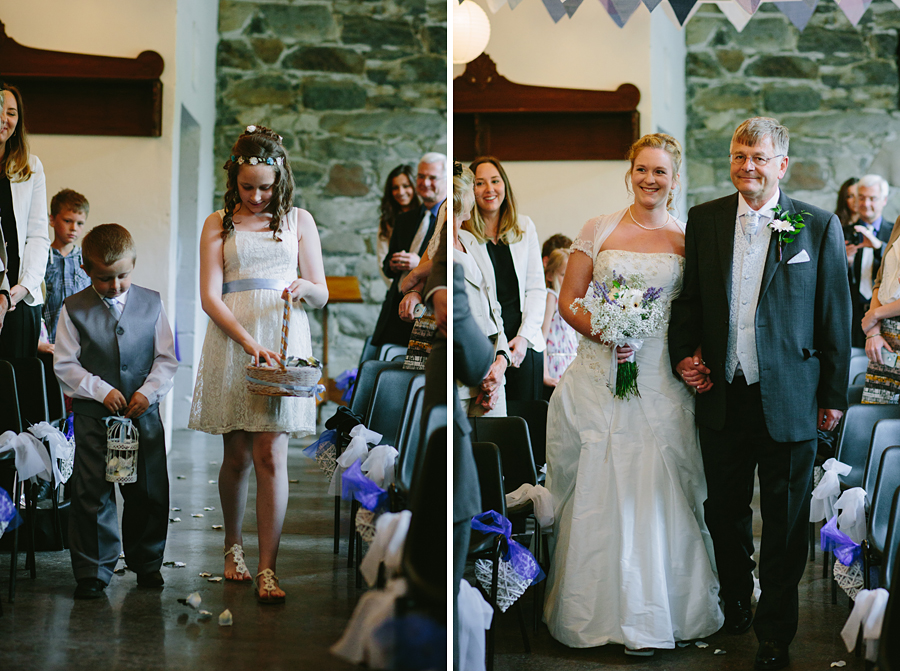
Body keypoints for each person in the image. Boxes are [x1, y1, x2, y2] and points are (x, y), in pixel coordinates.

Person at [669, 117, 851, 671]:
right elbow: (690, 302)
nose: (747, 165)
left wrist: (833, 395)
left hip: (793, 395)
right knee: (723, 512)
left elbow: (834, 315)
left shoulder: (815, 226)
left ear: (782, 165)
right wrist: (683, 355)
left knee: (786, 519)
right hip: (724, 393)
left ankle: (777, 629)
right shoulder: (704, 220)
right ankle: (734, 599)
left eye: (759, 157)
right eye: (739, 155)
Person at [543, 133, 723, 655]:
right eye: (642, 170)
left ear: (674, 177)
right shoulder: (597, 229)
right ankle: (595, 611)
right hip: (602, 372)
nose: (650, 180)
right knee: (600, 479)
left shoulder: (689, 237)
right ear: (630, 172)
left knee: (660, 482)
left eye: (660, 172)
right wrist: (609, 332)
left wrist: (693, 359)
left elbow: (698, 313)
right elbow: (569, 300)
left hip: (661, 379)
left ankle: (663, 609)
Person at [188, 125, 328, 604]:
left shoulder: (299, 221)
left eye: (265, 187)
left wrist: (303, 289)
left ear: (281, 178)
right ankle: (233, 548)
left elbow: (322, 290)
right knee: (238, 455)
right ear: (234, 179)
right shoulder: (217, 223)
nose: (255, 195)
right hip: (235, 338)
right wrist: (248, 343)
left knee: (272, 454)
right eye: (247, 186)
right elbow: (209, 296)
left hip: (284, 337)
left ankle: (269, 567)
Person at [53, 223, 178, 599]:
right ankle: (93, 569)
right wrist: (101, 389)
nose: (115, 285)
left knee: (149, 489)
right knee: (93, 492)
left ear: (134, 265)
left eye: (122, 276)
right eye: (105, 278)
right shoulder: (73, 309)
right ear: (87, 271)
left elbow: (166, 359)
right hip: (94, 417)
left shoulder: (152, 303)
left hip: (143, 416)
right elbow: (65, 364)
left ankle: (147, 561)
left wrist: (149, 392)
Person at [466, 157, 546, 402]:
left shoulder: (524, 226)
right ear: (470, 191)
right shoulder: (464, 233)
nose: (489, 189)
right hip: (485, 347)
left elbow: (536, 288)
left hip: (525, 343)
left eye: (495, 181)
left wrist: (523, 338)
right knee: (493, 429)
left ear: (505, 186)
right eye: (480, 183)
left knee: (527, 426)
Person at [372, 152, 446, 347]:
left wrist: (417, 264)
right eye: (421, 177)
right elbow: (387, 266)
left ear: (446, 180)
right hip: (395, 308)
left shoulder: (449, 220)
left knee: (416, 368)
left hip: (427, 312)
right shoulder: (404, 219)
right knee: (386, 364)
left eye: (432, 177)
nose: (425, 182)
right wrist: (393, 263)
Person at [455, 162, 510, 416]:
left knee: (497, 450)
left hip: (493, 376)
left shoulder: (472, 241)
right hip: (460, 380)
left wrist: (500, 362)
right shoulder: (443, 248)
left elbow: (494, 309)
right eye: (476, 186)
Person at [0, 84, 50, 360]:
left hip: (20, 300)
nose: (4, 119)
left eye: (11, 113)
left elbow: (38, 235)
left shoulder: (31, 167)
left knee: (15, 394)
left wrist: (18, 292)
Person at [847, 174, 894, 348]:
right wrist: (845, 263)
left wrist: (879, 247)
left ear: (884, 200)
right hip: (849, 318)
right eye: (862, 198)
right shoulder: (840, 232)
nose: (866, 204)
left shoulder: (894, 234)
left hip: (886, 319)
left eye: (872, 198)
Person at [43, 189, 92, 347]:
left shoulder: (87, 259)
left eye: (80, 223)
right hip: (49, 343)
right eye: (67, 221)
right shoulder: (41, 259)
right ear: (52, 220)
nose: (73, 228)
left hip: (81, 345)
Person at [541, 248, 578, 397]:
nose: (569, 279)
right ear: (550, 275)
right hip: (555, 363)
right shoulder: (551, 297)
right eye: (563, 275)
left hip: (570, 361)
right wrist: (545, 373)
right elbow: (542, 336)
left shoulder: (569, 300)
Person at [377, 164, 420, 287]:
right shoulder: (387, 221)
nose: (401, 192)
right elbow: (382, 258)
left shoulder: (427, 217)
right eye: (395, 187)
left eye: (406, 186)